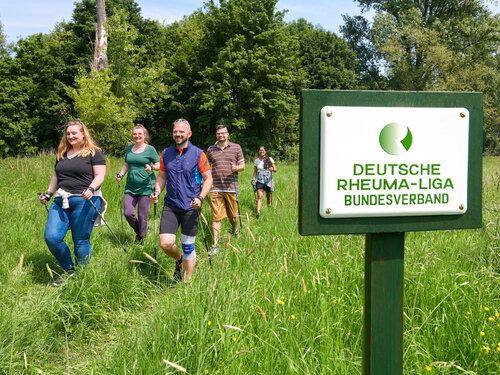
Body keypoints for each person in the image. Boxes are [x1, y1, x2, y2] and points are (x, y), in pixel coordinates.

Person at [38, 120, 106, 286]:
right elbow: (56, 177)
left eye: (74, 133)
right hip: (61, 200)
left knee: (80, 240)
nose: (71, 136)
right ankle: (69, 270)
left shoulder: (94, 153)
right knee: (52, 237)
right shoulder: (62, 153)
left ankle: (81, 276)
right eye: (68, 133)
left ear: (83, 134)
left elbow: (100, 176)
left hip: (85, 200)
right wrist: (48, 194)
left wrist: (90, 189)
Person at [150, 119, 212, 282]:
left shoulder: (199, 154)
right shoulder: (166, 153)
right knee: (165, 243)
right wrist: (157, 192)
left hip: (191, 205)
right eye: (175, 131)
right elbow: (162, 176)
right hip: (171, 204)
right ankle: (179, 260)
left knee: (188, 245)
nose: (178, 134)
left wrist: (201, 197)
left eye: (181, 132)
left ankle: (186, 284)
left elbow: (208, 179)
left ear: (189, 134)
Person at [115, 124, 160, 245]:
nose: (137, 136)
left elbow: (158, 165)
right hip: (130, 187)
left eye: (140, 134)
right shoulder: (129, 149)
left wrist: (150, 167)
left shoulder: (150, 149)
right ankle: (140, 232)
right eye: (135, 134)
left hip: (146, 187)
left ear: (144, 135)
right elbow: (126, 164)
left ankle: (141, 239)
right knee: (128, 213)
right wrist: (121, 175)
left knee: (142, 215)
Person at [206, 124, 245, 255]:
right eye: (219, 134)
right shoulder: (211, 149)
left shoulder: (236, 147)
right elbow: (207, 166)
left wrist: (236, 168)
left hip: (231, 187)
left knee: (233, 216)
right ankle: (215, 245)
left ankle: (235, 229)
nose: (221, 135)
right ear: (216, 135)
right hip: (215, 188)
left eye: (223, 133)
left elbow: (243, 166)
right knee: (216, 217)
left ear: (227, 134)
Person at [251, 146, 277, 218]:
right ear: (258, 152)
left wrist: (272, 169)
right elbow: (255, 171)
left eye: (263, 150)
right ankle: (258, 213)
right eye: (260, 150)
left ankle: (269, 209)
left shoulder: (270, 159)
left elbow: (275, 170)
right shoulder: (256, 161)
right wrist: (253, 179)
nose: (261, 152)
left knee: (268, 196)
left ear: (265, 151)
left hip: (268, 180)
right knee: (260, 196)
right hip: (260, 180)